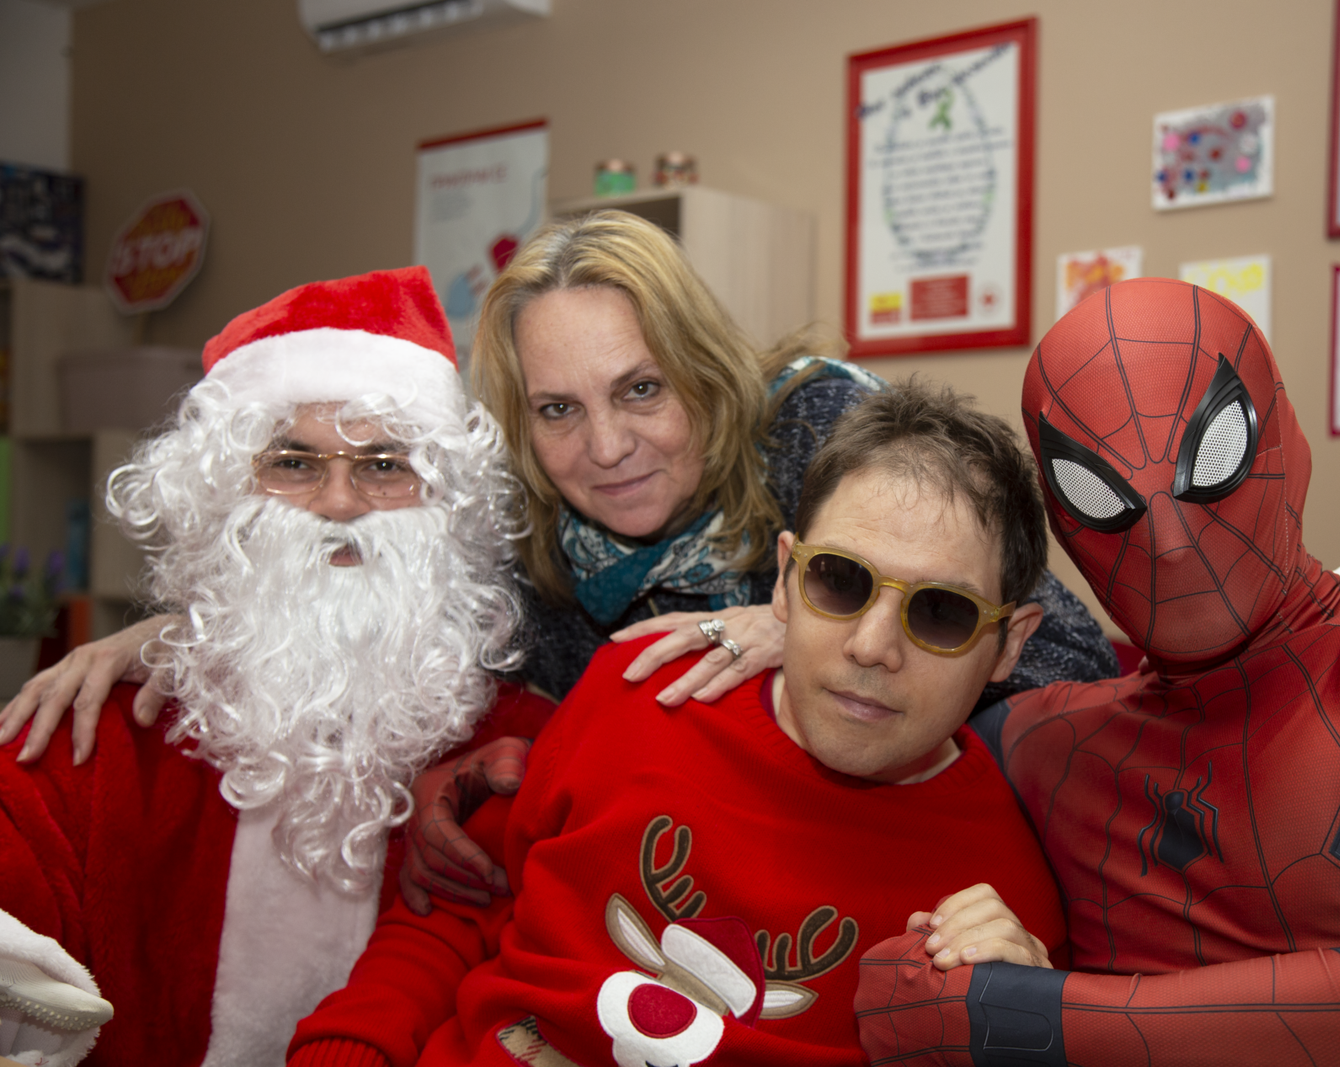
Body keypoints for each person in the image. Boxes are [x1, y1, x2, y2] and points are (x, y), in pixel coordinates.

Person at [0, 209, 1115, 760]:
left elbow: (1066, 660)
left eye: (642, 389)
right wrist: (173, 634)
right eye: (558, 410)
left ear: (704, 369)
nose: (607, 446)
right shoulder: (528, 544)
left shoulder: (821, 435)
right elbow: (360, 608)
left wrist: (807, 631)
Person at [854, 278, 1340, 1066]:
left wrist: (1015, 1014)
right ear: (1062, 520)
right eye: (1098, 492)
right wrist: (792, 622)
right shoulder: (1039, 738)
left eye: (1212, 457)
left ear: (1282, 435)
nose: (1172, 541)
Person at [284, 383, 1071, 1067]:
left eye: (941, 612)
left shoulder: (1003, 902)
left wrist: (1018, 1023)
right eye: (840, 580)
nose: (872, 646)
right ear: (785, 579)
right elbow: (459, 912)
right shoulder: (636, 688)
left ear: (1010, 643)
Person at [0, 267, 556, 1067]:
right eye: (294, 463)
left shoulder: (523, 747)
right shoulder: (107, 730)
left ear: (447, 504)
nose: (340, 502)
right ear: (225, 497)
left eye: (384, 465)